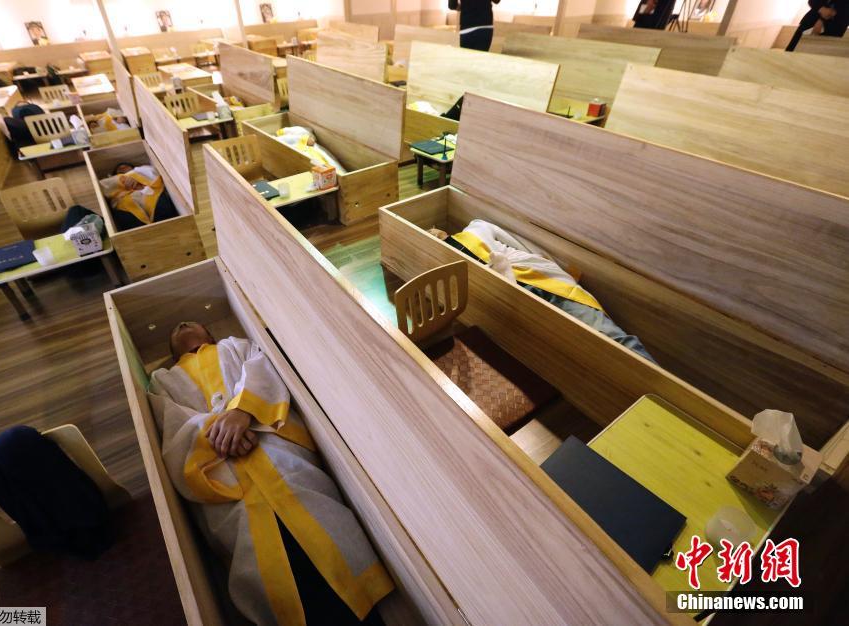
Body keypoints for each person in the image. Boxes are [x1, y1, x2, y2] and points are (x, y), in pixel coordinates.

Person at [149, 323, 393, 625]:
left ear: (210, 335)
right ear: (172, 354)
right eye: (175, 328)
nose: (182, 324)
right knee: (263, 565)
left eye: (192, 322)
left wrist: (243, 411)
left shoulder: (233, 346)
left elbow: (262, 368)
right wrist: (222, 432)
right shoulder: (162, 380)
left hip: (274, 448)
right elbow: (173, 427)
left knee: (326, 539)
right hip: (223, 477)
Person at [430, 219, 655, 361]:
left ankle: (666, 396)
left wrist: (549, 261)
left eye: (432, 229)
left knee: (610, 336)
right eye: (428, 233)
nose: (431, 232)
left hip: (539, 280)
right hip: (511, 297)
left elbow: (517, 241)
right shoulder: (442, 261)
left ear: (443, 230)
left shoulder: (474, 228)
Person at [99, 162, 178, 231]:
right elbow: (104, 186)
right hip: (127, 206)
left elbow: (153, 173)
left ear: (133, 168)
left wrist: (136, 177)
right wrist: (122, 179)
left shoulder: (140, 170)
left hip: (152, 197)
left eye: (126, 168)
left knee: (163, 209)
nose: (122, 169)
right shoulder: (115, 179)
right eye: (120, 171)